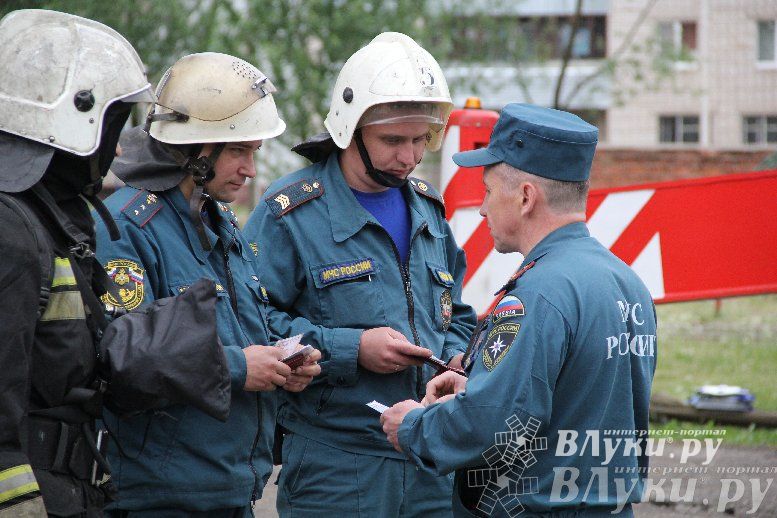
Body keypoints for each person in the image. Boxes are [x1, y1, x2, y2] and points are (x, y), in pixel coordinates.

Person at [381, 103, 658, 517]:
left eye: (490, 191)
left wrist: (411, 427)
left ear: (526, 197)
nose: (482, 208)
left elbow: (489, 423)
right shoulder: (628, 283)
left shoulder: (537, 295)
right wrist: (478, 383)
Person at [243, 32, 477, 516]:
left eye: (421, 139)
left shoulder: (429, 209)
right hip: (336, 467)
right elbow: (251, 323)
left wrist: (454, 358)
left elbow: (458, 312)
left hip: (430, 457)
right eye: (393, 140)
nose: (410, 156)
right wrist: (353, 350)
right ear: (349, 130)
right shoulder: (291, 214)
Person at [94, 52, 321, 517]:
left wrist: (282, 360)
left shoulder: (217, 223)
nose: (251, 169)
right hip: (157, 500)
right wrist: (238, 368)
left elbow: (234, 331)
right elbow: (119, 358)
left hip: (228, 492)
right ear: (194, 149)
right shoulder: (125, 227)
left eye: (253, 151)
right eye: (239, 151)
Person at [0, 9, 157, 517]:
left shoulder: (52, 218)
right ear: (74, 116)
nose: (114, 143)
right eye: (113, 121)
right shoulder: (12, 232)